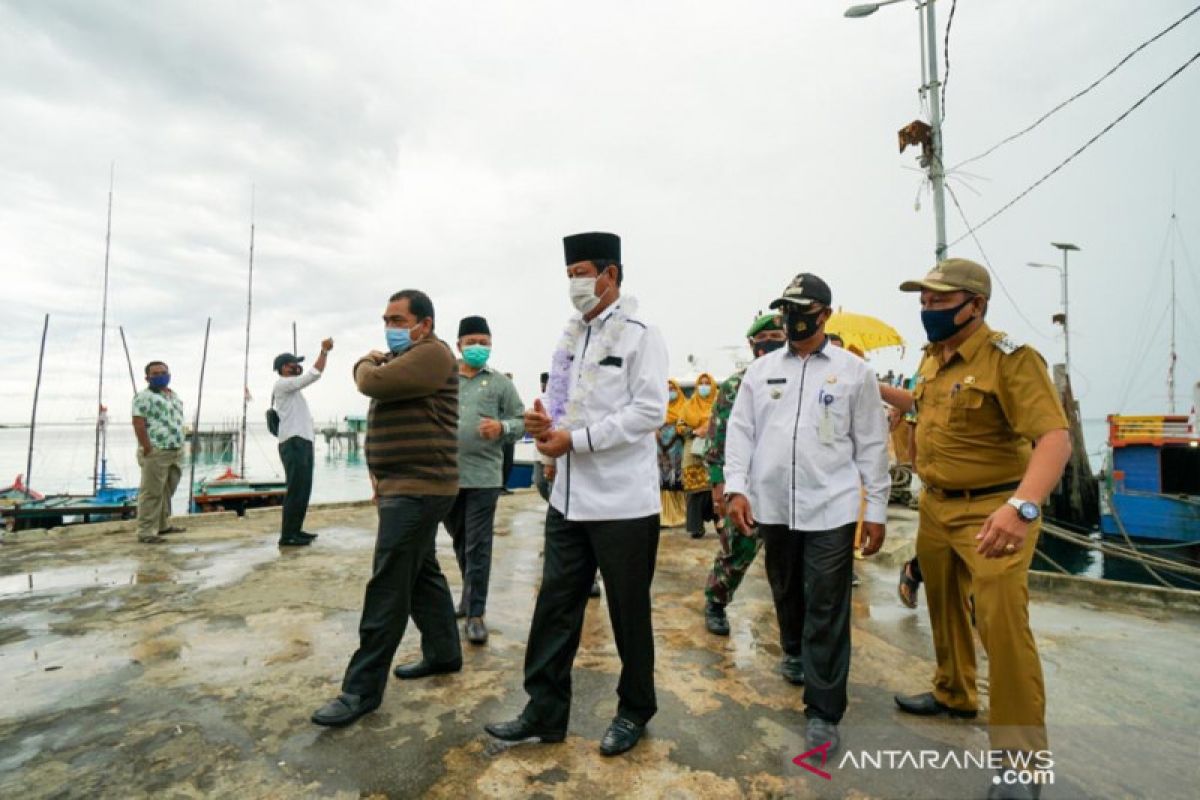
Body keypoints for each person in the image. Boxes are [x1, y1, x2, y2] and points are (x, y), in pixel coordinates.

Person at [891, 259, 1070, 799]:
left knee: (1001, 626)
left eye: (939, 302)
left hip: (994, 508)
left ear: (976, 305)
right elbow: (922, 408)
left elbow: (1054, 438)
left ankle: (1022, 762)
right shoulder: (932, 360)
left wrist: (1023, 507)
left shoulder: (1010, 360)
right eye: (923, 301)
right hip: (936, 507)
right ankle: (954, 692)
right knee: (942, 604)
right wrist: (871, 385)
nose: (928, 310)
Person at [485, 231, 668, 757]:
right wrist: (545, 430)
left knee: (627, 613)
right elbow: (565, 405)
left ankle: (634, 710)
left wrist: (577, 441)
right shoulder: (571, 338)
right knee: (555, 606)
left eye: (582, 273)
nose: (575, 284)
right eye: (568, 275)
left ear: (610, 275)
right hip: (567, 498)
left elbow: (648, 411)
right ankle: (544, 710)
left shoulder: (640, 334)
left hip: (624, 504)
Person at [725, 273, 890, 755]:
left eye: (802, 311)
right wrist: (737, 488)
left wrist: (875, 509)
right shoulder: (761, 372)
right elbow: (741, 434)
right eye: (786, 311)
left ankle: (823, 709)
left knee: (827, 602)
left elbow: (873, 445)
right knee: (784, 587)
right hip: (773, 503)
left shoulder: (854, 373)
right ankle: (793, 648)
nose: (792, 320)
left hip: (831, 505)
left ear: (825, 315)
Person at [311, 289, 462, 728]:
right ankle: (443, 653)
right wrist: (378, 470)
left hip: (420, 487)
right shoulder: (407, 360)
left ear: (424, 324)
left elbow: (369, 383)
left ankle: (360, 690)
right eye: (386, 319)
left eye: (398, 319)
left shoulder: (432, 354)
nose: (390, 326)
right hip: (404, 484)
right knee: (421, 573)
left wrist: (364, 361)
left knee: (388, 585)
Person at [702, 312, 786, 638]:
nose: (773, 347)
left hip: (780, 484)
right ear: (753, 344)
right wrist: (719, 487)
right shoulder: (736, 385)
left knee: (785, 562)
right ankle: (716, 601)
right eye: (766, 341)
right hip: (744, 486)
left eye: (779, 340)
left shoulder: (793, 379)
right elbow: (718, 438)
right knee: (737, 551)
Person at [445, 315, 525, 645]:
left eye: (484, 342)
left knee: (479, 546)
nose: (478, 347)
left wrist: (502, 428)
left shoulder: (500, 384)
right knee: (460, 541)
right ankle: (468, 596)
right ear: (458, 345)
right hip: (447, 477)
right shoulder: (444, 380)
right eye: (472, 342)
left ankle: (476, 613)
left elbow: (520, 421)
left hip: (484, 478)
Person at [271, 338, 333, 547]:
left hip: (302, 442)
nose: (297, 366)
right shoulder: (283, 384)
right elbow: (313, 375)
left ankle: (296, 530)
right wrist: (324, 351)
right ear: (283, 368)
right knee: (296, 489)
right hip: (293, 442)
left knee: (303, 489)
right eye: (293, 363)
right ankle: (287, 535)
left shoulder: (292, 390)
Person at [131, 360, 186, 544]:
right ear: (147, 377)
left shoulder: (174, 396)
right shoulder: (143, 397)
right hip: (157, 449)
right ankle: (146, 532)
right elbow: (138, 422)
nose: (161, 375)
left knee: (167, 490)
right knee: (151, 492)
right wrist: (147, 447)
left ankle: (162, 525)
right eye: (155, 373)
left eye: (164, 372)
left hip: (175, 449)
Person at [680, 372, 719, 539]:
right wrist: (695, 431)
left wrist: (709, 430)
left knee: (716, 489)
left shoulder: (718, 403)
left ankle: (720, 524)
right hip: (693, 453)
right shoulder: (689, 405)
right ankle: (696, 527)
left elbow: (727, 421)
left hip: (713, 452)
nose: (704, 387)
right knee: (694, 492)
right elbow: (680, 425)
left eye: (707, 383)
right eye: (701, 383)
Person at [657, 379, 687, 527]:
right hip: (660, 450)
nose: (670, 392)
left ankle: (680, 513)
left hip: (677, 449)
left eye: (672, 389)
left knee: (676, 481)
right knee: (663, 482)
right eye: (667, 389)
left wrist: (679, 428)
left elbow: (686, 426)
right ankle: (665, 516)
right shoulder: (660, 408)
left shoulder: (684, 408)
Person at [533, 372, 553, 502]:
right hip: (539, 451)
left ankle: (556, 511)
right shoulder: (539, 400)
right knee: (539, 482)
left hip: (553, 450)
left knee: (552, 485)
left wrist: (550, 461)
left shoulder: (560, 400)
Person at [500, 371, 517, 494]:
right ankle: (498, 486)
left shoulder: (513, 399)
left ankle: (504, 485)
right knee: (501, 461)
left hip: (510, 435)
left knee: (508, 461)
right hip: (500, 435)